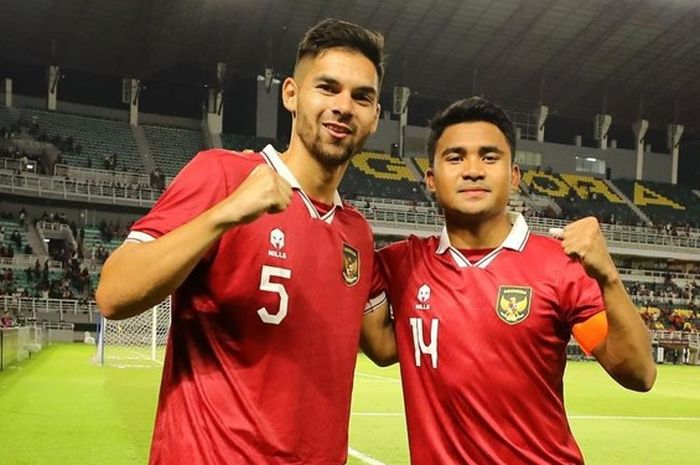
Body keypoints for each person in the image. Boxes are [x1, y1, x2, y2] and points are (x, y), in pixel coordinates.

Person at [96, 19, 385, 465]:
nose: (344, 106)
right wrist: (225, 214)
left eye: (361, 96)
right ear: (291, 94)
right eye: (327, 88)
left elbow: (384, 346)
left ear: (376, 116)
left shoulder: (357, 234)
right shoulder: (223, 175)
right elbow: (113, 293)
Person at [361, 97, 656, 465]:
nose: (473, 170)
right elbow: (383, 348)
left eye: (489, 156)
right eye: (455, 157)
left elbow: (638, 372)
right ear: (431, 180)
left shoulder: (559, 266)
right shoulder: (402, 264)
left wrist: (608, 277)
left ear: (514, 175)